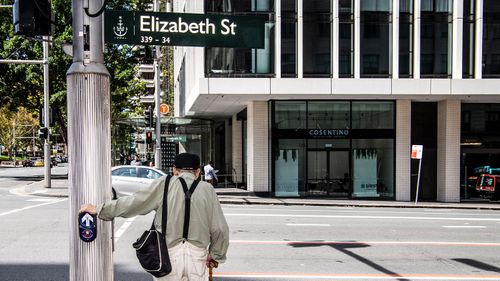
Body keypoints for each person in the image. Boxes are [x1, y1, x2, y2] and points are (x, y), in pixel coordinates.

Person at [79, 153, 229, 281]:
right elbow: (220, 229)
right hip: (198, 257)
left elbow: (134, 203)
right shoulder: (207, 190)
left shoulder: (165, 184)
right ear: (197, 173)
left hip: (168, 256)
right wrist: (216, 255)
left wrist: (99, 209)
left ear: (174, 170)